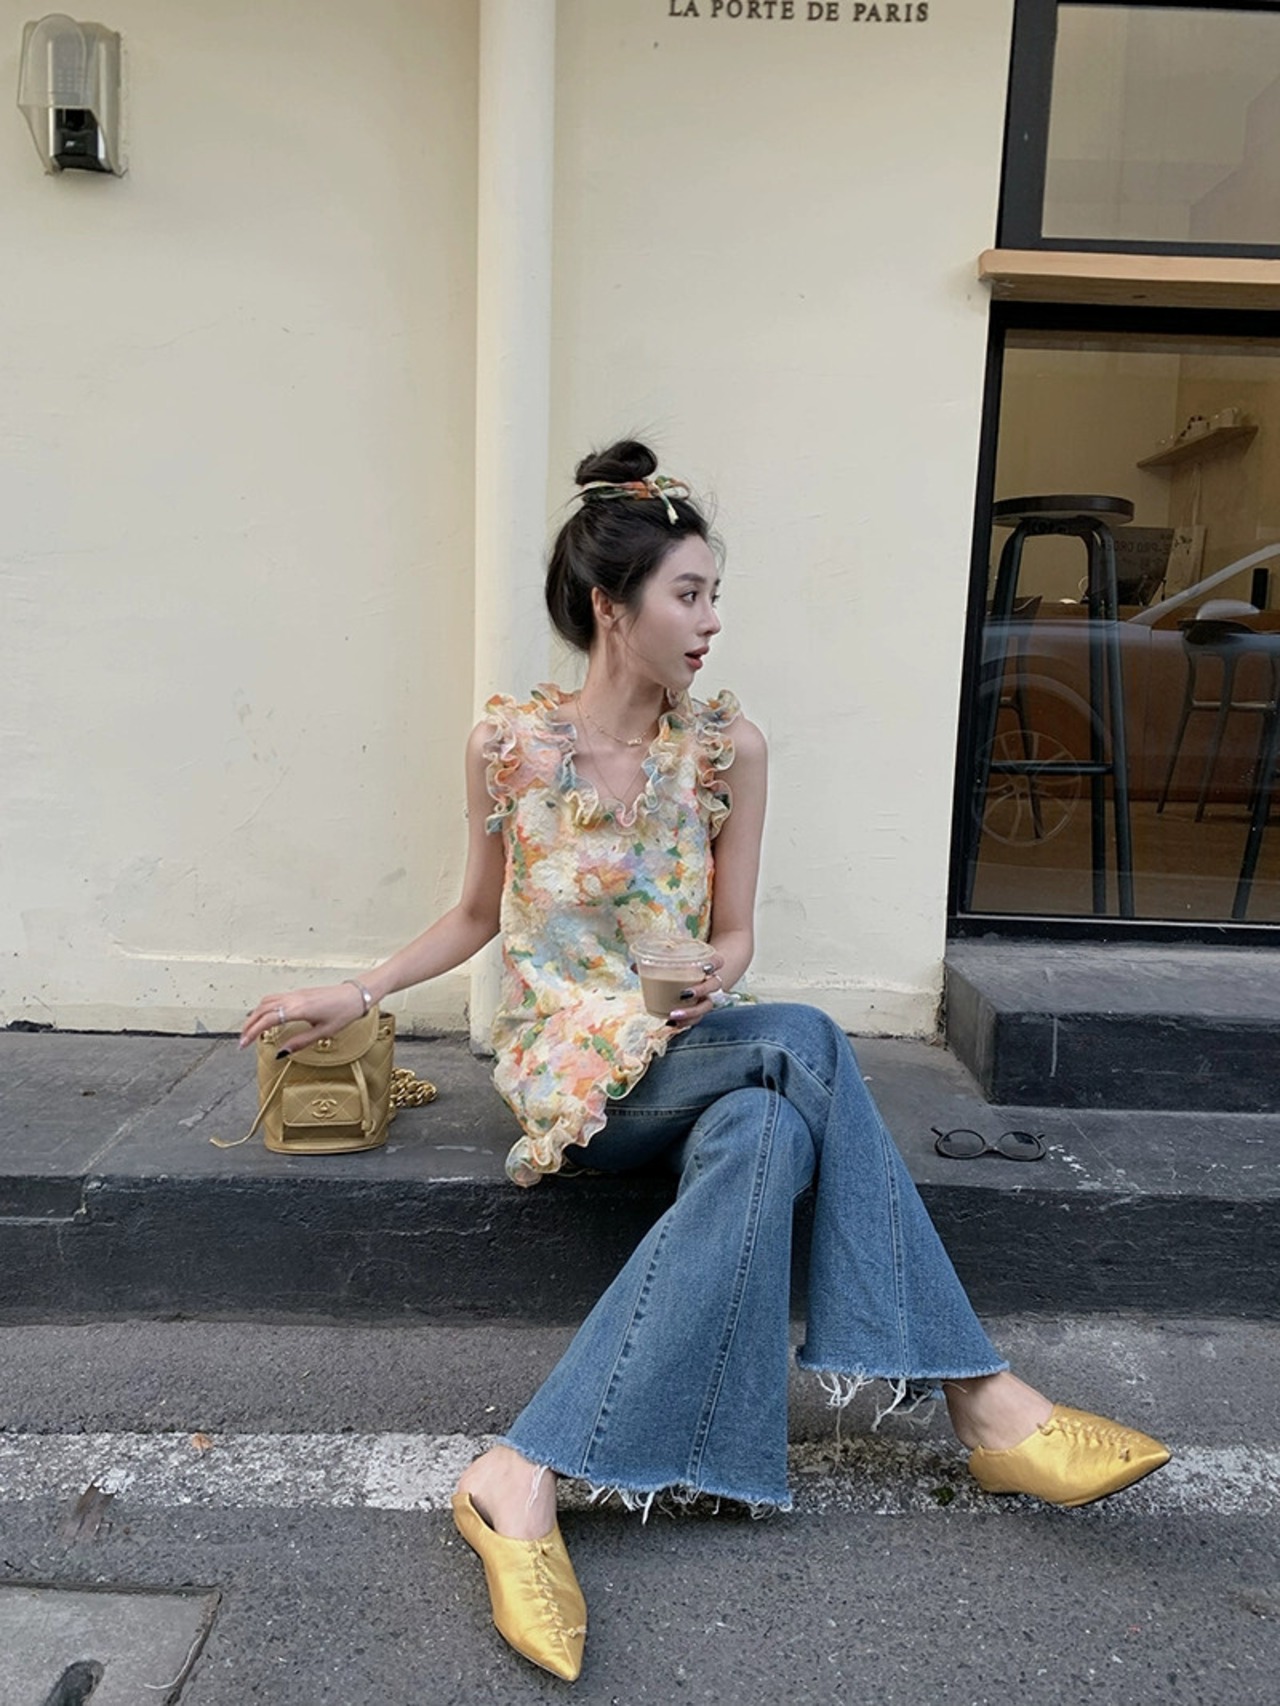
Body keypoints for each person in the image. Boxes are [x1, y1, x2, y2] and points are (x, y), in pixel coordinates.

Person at [240, 440, 1170, 1683]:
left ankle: (522, 1469)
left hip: (692, 1051)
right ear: (609, 608)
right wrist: (354, 991)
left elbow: (734, 936)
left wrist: (707, 978)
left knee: (769, 1128)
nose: (712, 620)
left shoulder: (730, 751)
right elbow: (472, 914)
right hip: (575, 1075)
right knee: (808, 1041)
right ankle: (980, 1396)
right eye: (688, 594)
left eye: (713, 594)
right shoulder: (508, 746)